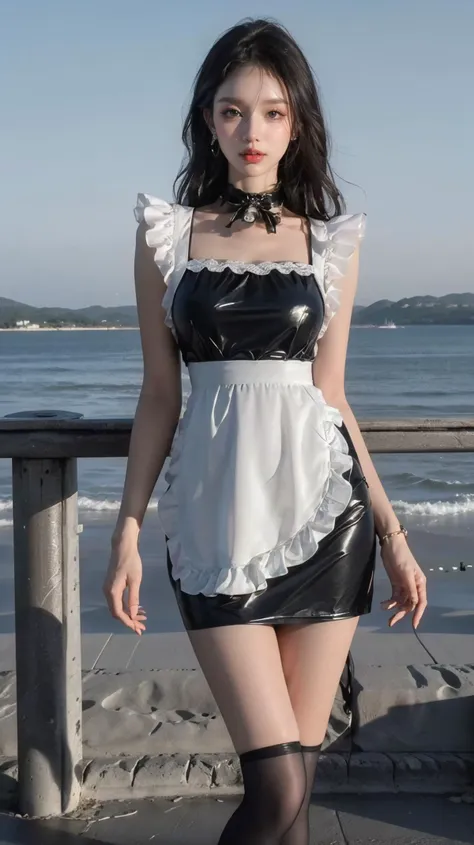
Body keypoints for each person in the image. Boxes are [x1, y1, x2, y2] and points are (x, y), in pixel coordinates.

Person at [103, 18, 427, 844]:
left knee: (298, 794)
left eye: (274, 112)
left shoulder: (329, 243)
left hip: (329, 519)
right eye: (234, 110)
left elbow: (334, 396)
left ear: (299, 123)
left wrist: (391, 533)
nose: (254, 131)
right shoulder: (168, 239)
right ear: (208, 120)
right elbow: (158, 396)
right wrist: (128, 530)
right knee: (276, 787)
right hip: (216, 527)